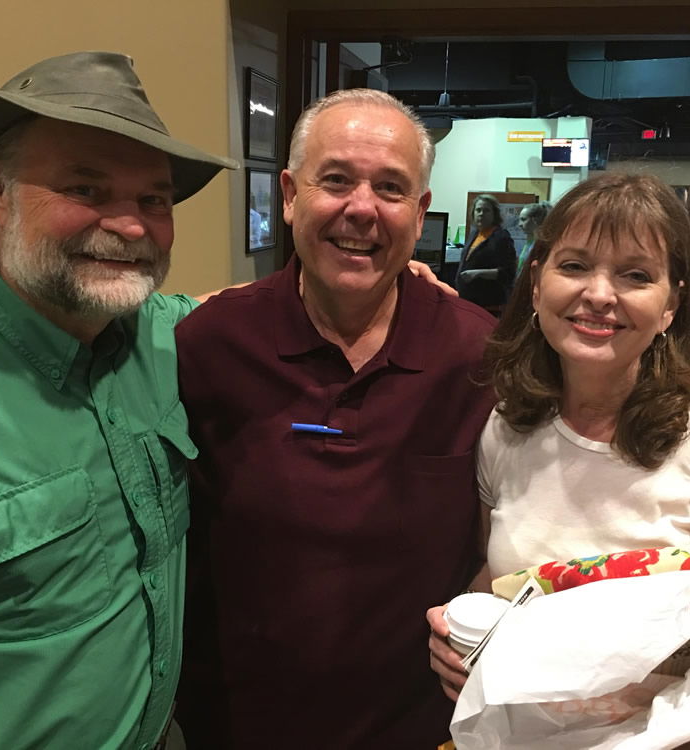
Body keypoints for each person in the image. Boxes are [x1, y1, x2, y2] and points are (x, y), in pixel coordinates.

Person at [0, 51, 236, 749]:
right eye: (86, 188)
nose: (132, 225)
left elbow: (246, 309)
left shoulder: (165, 338)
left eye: (154, 199)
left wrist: (386, 286)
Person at [173, 88, 497, 749]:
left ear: (419, 213)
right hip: (233, 728)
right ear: (290, 195)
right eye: (337, 180)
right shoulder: (207, 344)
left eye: (390, 188)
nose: (361, 209)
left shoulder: (479, 355)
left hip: (421, 732)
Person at [427, 173, 690, 705]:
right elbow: (497, 574)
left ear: (670, 306)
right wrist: (459, 637)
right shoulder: (508, 429)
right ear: (538, 281)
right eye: (573, 266)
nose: (598, 294)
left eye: (635, 275)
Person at [455, 193, 516, 314]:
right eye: (478, 210)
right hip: (468, 302)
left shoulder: (501, 237)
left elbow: (508, 273)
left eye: (486, 210)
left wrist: (477, 273)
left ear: (494, 214)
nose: (481, 214)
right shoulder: (475, 234)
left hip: (488, 306)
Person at [516, 199, 553, 275]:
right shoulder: (529, 241)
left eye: (523, 219)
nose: (519, 224)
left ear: (535, 220)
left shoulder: (543, 243)